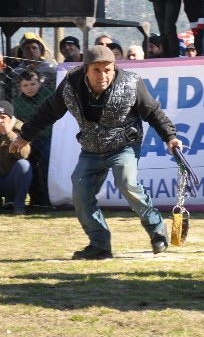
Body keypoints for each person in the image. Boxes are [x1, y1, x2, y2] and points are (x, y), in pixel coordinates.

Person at [7, 46, 183, 259]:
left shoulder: (131, 83)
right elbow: (49, 111)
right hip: (91, 148)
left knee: (126, 182)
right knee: (81, 191)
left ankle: (157, 230)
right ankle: (99, 244)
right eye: (96, 70)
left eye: (107, 70)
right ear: (86, 70)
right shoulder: (71, 85)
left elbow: (153, 112)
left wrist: (170, 136)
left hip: (124, 145)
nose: (103, 75)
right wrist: (24, 136)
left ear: (114, 68)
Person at [14, 70, 53, 208]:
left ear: (39, 84)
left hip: (48, 138)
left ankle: (48, 199)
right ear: (20, 87)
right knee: (28, 163)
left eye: (33, 84)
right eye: (25, 85)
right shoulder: (18, 102)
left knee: (46, 160)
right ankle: (35, 200)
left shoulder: (49, 96)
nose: (29, 88)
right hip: (28, 140)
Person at [0, 100, 31, 215]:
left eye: (3, 117)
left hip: (11, 180)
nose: (0, 121)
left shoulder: (20, 128)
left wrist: (8, 133)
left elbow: (24, 154)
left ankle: (19, 206)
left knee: (23, 165)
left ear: (10, 118)